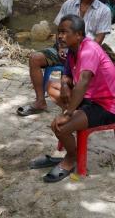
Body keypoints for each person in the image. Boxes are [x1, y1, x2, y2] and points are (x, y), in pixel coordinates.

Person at [30, 14, 115, 182]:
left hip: (107, 105)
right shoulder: (72, 50)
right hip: (89, 98)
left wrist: (68, 113)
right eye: (59, 32)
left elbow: (83, 81)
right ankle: (73, 123)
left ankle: (71, 158)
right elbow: (66, 74)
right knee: (52, 86)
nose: (60, 36)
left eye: (64, 32)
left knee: (60, 127)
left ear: (78, 35)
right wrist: (64, 84)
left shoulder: (89, 50)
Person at [17, 0, 112, 116]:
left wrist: (79, 54)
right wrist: (61, 47)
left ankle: (74, 111)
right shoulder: (69, 5)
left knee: (77, 80)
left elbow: (98, 40)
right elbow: (59, 30)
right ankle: (40, 102)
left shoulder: (104, 11)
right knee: (34, 58)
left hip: (86, 55)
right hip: (62, 50)